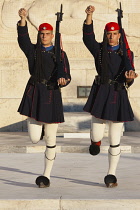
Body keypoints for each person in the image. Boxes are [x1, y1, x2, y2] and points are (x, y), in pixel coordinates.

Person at [83, 5, 138, 187]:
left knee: (115, 139)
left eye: (114, 34)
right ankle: (95, 141)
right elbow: (87, 37)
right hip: (101, 93)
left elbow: (130, 73)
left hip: (118, 94)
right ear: (105, 35)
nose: (111, 36)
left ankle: (111, 174)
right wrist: (89, 16)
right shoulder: (99, 50)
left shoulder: (127, 54)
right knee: (97, 132)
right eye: (108, 33)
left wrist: (130, 77)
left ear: (119, 35)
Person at [18, 8, 71, 188]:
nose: (44, 37)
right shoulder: (33, 51)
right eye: (41, 34)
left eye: (47, 34)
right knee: (34, 139)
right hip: (35, 93)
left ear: (52, 35)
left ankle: (46, 176)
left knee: (51, 139)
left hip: (51, 95)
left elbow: (66, 74)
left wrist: (64, 80)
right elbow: (23, 39)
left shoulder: (60, 54)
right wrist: (23, 20)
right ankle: (39, 129)